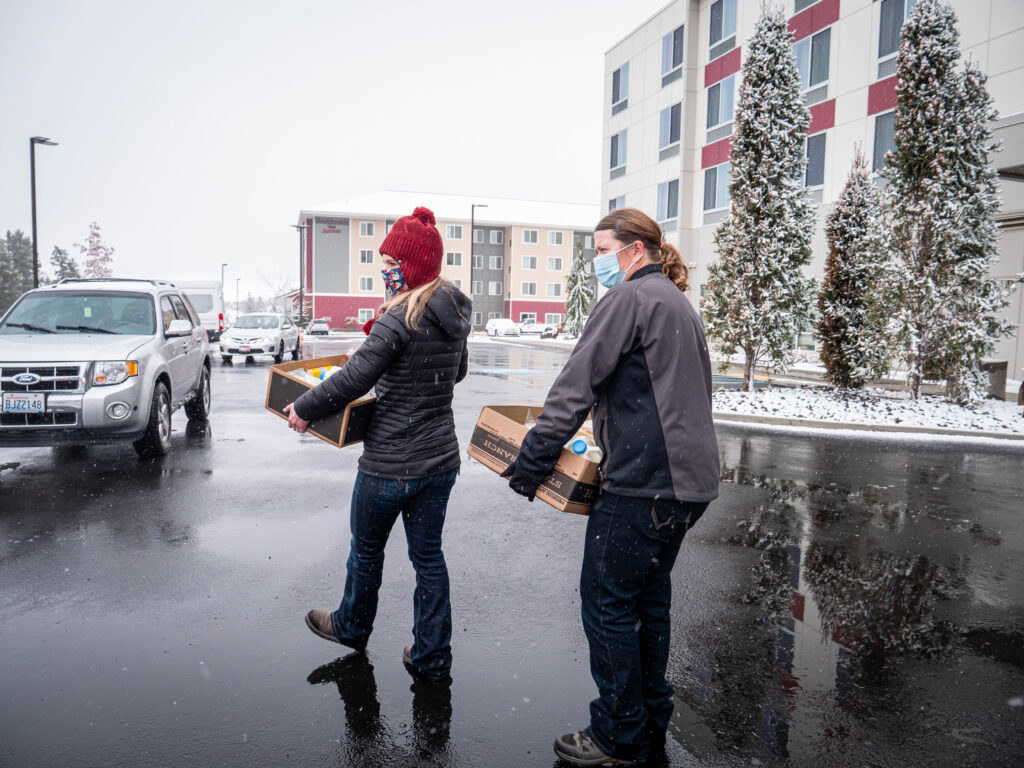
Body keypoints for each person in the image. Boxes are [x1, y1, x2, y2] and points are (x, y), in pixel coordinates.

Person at [500, 207, 720, 765]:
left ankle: (618, 734)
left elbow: (574, 386)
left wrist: (529, 464)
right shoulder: (676, 302)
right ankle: (647, 720)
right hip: (686, 487)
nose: (596, 260)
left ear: (634, 249)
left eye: (602, 249)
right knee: (648, 603)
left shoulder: (626, 300)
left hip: (643, 485)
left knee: (607, 604)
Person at [284, 206, 471, 681]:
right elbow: (458, 371)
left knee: (366, 550)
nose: (384, 272)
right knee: (428, 558)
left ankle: (351, 626)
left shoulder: (397, 319)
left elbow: (351, 380)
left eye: (391, 264)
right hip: (439, 462)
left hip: (389, 464)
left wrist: (304, 408)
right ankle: (432, 654)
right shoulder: (452, 310)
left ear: (409, 267)